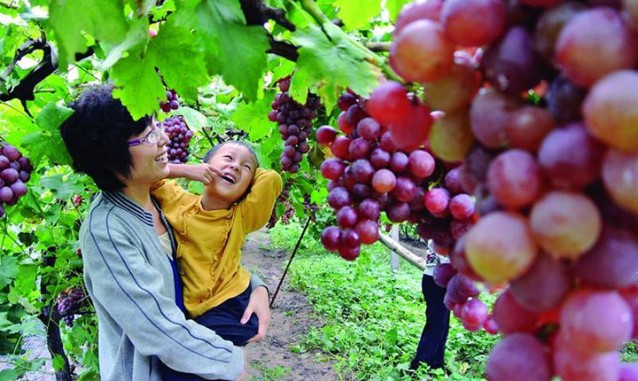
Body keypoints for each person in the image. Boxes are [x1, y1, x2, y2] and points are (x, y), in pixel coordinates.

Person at [59, 84, 270, 381]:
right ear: (112, 157)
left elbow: (208, 255)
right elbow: (156, 327)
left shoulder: (159, 199)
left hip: (193, 361)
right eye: (149, 135)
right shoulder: (107, 229)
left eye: (158, 126)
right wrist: (232, 361)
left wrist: (257, 287)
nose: (165, 138)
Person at [151, 141, 282, 379]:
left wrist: (248, 171)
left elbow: (272, 179)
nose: (235, 167)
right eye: (228, 158)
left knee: (177, 366)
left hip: (231, 306)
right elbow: (149, 176)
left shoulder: (241, 216)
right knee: (181, 363)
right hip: (199, 312)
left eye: (246, 168)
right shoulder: (178, 200)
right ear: (205, 166)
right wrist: (187, 170)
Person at [410, 241, 451, 372]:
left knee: (442, 324)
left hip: (438, 280)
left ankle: (437, 363)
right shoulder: (442, 233)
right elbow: (446, 260)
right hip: (436, 281)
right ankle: (420, 365)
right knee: (436, 325)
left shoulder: (444, 229)